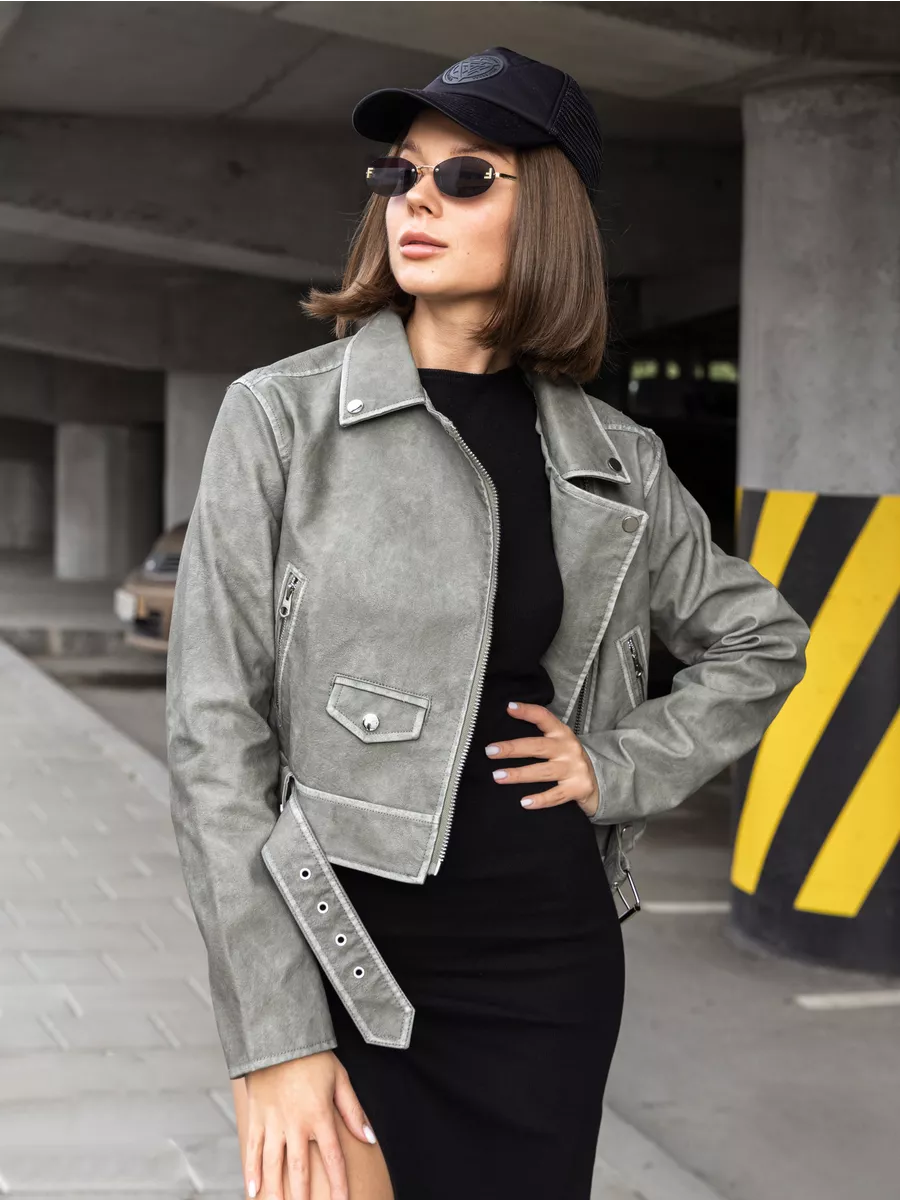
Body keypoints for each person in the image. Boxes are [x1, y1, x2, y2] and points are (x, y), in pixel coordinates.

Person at [165, 46, 810, 1200]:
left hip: (542, 971)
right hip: (343, 946)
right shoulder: (280, 420)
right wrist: (274, 1035)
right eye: (401, 172)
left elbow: (763, 640)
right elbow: (215, 740)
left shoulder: (619, 460)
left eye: (465, 177)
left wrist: (618, 765)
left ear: (546, 213)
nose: (416, 199)